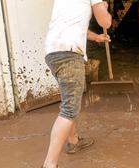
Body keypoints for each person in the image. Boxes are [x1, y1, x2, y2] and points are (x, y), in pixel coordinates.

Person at [42, 0, 112, 167]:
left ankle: (73, 141)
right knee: (69, 109)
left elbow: (73, 25)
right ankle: (49, 164)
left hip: (53, 53)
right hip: (69, 53)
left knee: (69, 102)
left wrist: (96, 37)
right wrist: (104, 7)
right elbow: (105, 22)